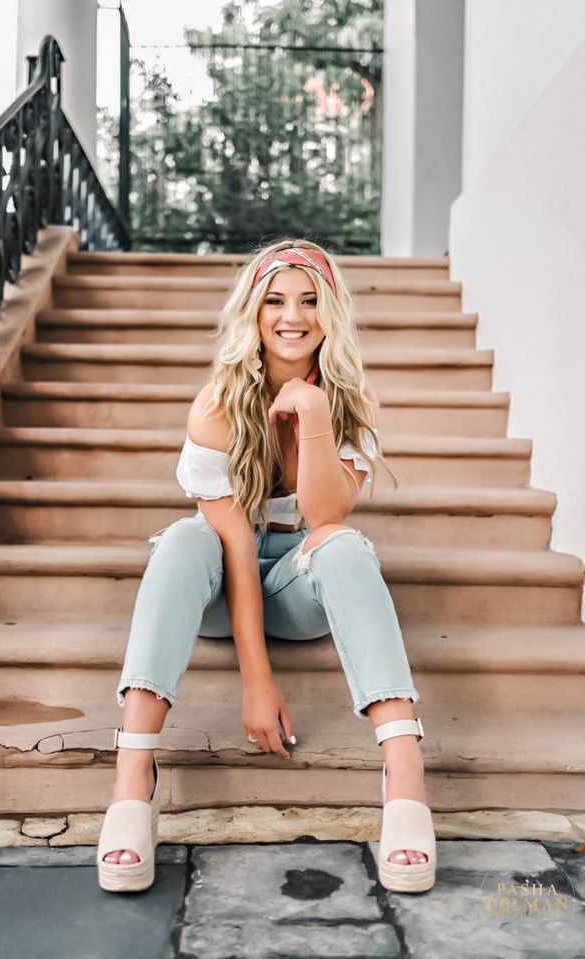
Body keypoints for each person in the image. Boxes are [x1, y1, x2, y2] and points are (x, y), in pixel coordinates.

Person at [97, 239, 437, 895]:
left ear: (331, 313)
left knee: (344, 544)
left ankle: (404, 772)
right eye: (276, 300)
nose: (293, 315)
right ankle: (133, 777)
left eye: (310, 300)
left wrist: (312, 416)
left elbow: (326, 512)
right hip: (228, 585)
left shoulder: (350, 400)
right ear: (253, 312)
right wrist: (258, 679)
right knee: (181, 540)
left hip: (301, 588)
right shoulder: (217, 406)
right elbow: (234, 551)